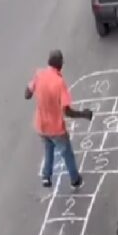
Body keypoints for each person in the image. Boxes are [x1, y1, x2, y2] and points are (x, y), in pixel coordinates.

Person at [25, 50, 93, 188]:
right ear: (59, 63)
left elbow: (27, 94)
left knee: (48, 148)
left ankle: (46, 176)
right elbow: (67, 111)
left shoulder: (39, 74)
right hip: (55, 128)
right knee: (66, 153)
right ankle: (75, 179)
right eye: (62, 61)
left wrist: (36, 91)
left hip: (40, 125)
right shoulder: (59, 82)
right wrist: (84, 114)